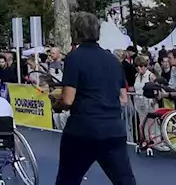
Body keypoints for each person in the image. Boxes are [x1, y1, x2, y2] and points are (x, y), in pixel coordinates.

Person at [52, 13, 136, 185]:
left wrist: (56, 103)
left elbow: (68, 99)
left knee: (67, 180)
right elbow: (123, 98)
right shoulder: (113, 60)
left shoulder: (74, 58)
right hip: (113, 129)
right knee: (125, 181)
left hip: (83, 129)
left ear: (77, 33)